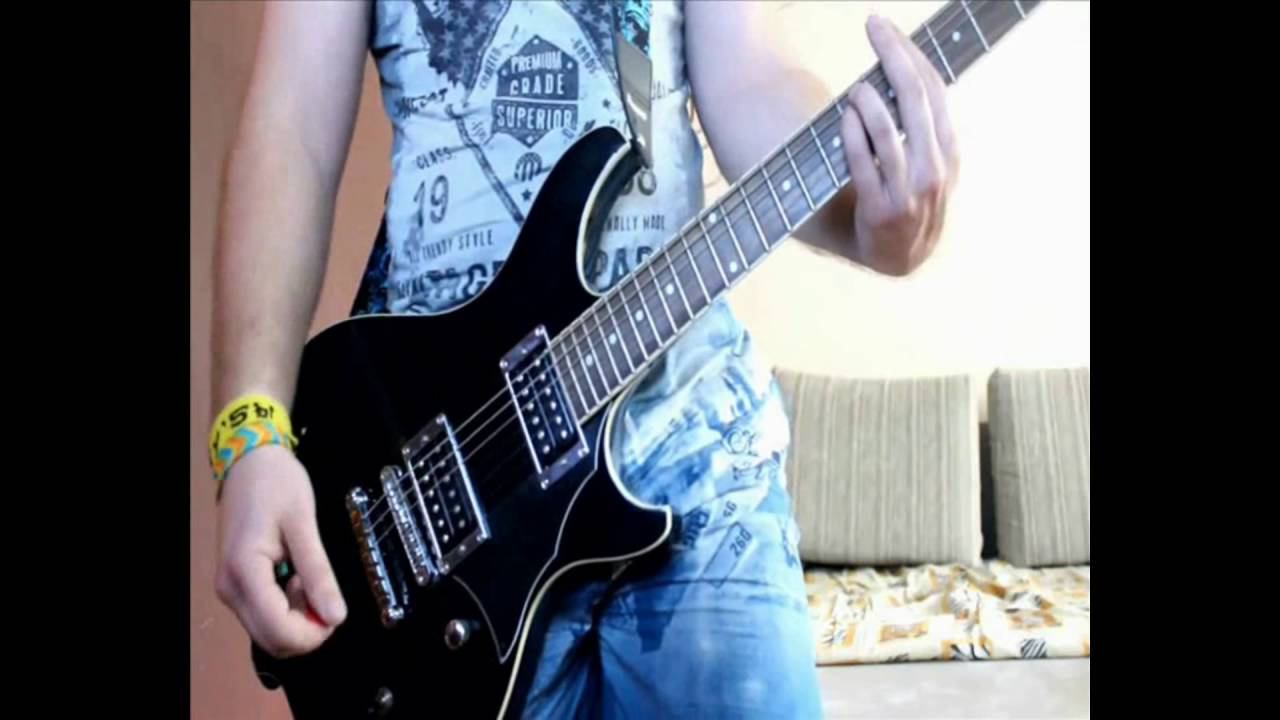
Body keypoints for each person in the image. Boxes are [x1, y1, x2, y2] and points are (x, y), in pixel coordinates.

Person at [211, 1, 957, 717]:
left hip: (691, 445)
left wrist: (860, 205)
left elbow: (748, 76)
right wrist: (249, 434)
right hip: (451, 482)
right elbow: (292, 129)